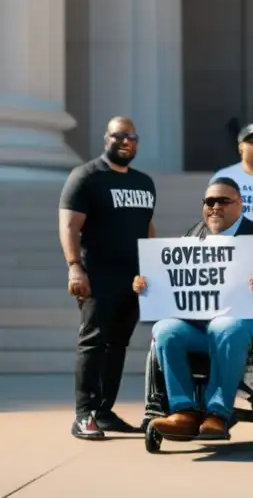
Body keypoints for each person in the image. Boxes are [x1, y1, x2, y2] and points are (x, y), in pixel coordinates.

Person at [136, 177, 253, 439]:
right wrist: (147, 284)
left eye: (223, 201)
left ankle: (217, 414)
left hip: (240, 327)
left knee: (225, 326)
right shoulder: (193, 235)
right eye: (209, 201)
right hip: (196, 325)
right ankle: (185, 411)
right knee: (165, 329)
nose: (215, 207)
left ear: (240, 204)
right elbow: (170, 282)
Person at [59, 116, 157, 440]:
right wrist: (75, 266)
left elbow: (147, 227)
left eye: (132, 136)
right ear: (106, 138)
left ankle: (104, 410)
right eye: (119, 136)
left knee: (118, 345)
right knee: (93, 341)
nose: (126, 141)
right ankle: (83, 414)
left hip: (133, 280)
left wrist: (156, 266)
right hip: (98, 276)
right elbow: (70, 226)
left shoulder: (144, 182)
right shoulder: (86, 177)